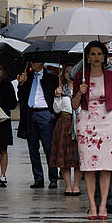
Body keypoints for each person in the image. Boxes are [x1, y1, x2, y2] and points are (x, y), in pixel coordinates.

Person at [71, 42, 112, 220]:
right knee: (88, 167)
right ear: (87, 56)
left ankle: (103, 206)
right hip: (86, 122)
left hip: (107, 122)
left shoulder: (111, 76)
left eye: (99, 54)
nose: (96, 57)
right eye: (92, 54)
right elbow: (74, 105)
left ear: (104, 56)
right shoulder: (81, 76)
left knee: (106, 167)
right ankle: (92, 205)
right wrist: (80, 91)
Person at [16, 60, 60, 189]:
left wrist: (52, 113)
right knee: (32, 148)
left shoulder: (51, 77)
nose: (32, 64)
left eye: (35, 62)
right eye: (31, 62)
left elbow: (56, 96)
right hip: (30, 113)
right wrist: (21, 84)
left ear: (41, 63)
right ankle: (38, 178)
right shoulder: (27, 77)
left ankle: (53, 178)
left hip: (45, 112)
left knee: (48, 147)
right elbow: (21, 96)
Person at [47, 62, 81, 197]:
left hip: (79, 123)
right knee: (64, 157)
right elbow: (56, 110)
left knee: (78, 157)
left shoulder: (81, 88)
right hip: (64, 123)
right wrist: (57, 96)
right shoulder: (61, 88)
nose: (69, 74)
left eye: (72, 71)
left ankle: (77, 185)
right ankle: (68, 186)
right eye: (67, 72)